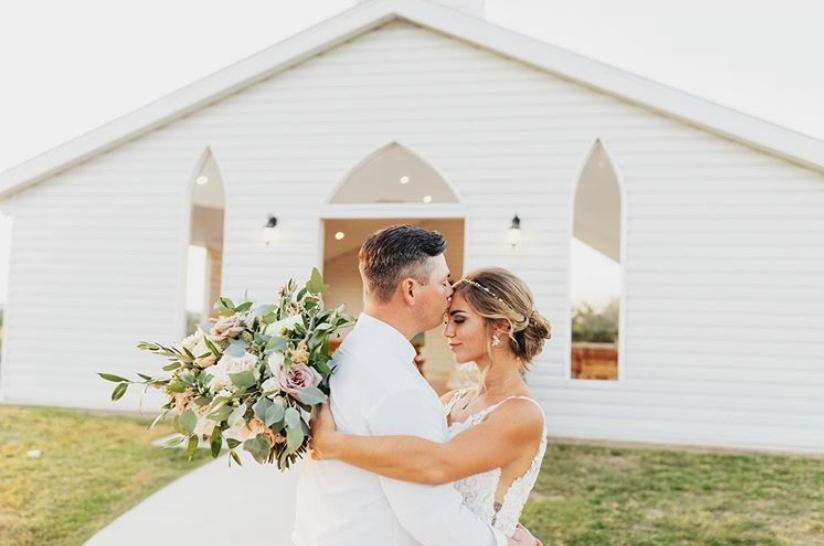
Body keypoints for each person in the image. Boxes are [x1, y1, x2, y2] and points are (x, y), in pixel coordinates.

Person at [292, 225, 541, 546]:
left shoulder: (346, 357)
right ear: (410, 290)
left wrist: (331, 443)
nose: (448, 292)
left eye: (460, 319)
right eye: (443, 281)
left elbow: (438, 465)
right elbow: (431, 515)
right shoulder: (404, 389)